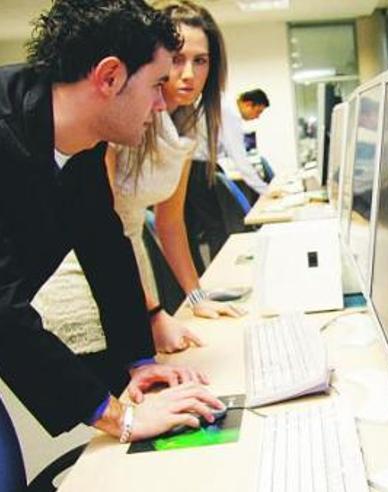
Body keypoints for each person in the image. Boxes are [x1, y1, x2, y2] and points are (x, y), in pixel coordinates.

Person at [0, 0, 223, 450]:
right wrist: (118, 417)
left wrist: (140, 362)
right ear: (109, 77)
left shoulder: (76, 135)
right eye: (156, 84)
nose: (162, 105)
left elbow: (104, 245)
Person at [33, 0, 244, 357]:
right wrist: (152, 312)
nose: (189, 74)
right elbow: (100, 225)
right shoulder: (123, 117)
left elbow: (171, 223)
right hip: (85, 279)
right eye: (176, 60)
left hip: (133, 276)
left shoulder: (184, 127)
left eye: (201, 60)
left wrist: (197, 298)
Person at [213, 89, 272, 198]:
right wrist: (266, 191)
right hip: (198, 165)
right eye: (258, 111)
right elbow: (240, 159)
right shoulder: (231, 115)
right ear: (248, 104)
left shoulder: (226, 105)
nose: (257, 117)